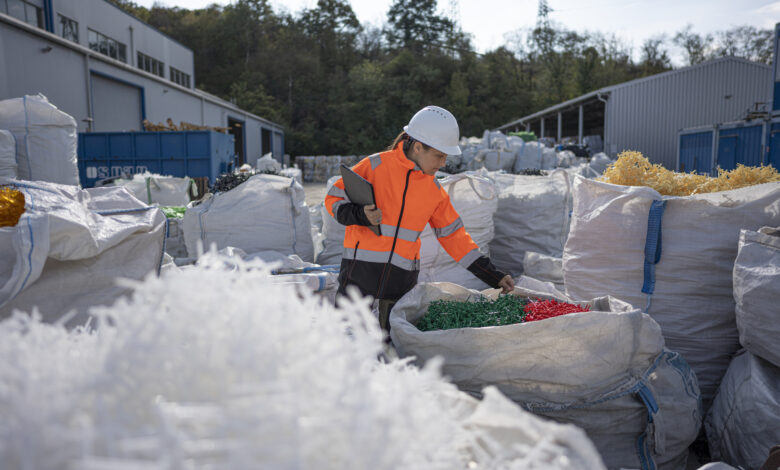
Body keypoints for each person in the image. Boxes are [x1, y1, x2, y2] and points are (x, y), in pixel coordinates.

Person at [325, 105, 514, 331]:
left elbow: (457, 239)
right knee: (347, 340)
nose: (443, 163)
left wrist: (494, 276)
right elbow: (333, 198)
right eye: (439, 155)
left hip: (400, 282)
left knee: (391, 348)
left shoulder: (434, 191)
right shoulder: (375, 166)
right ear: (417, 147)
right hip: (359, 274)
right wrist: (360, 215)